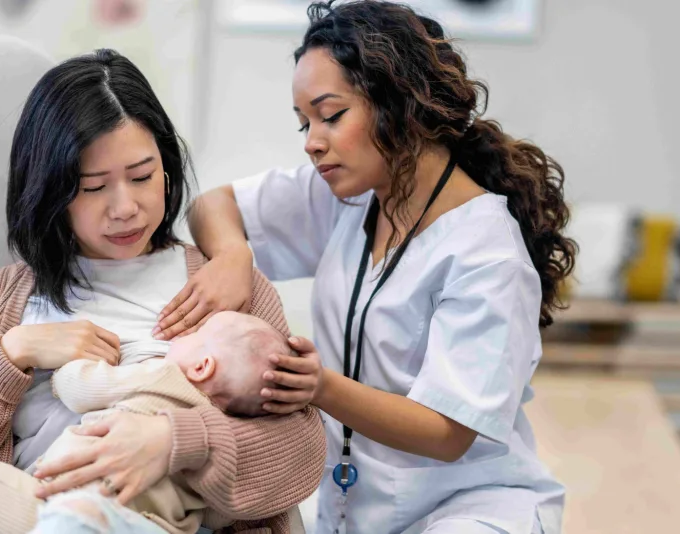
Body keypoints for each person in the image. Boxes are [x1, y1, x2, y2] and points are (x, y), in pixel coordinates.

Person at [161, 2, 577, 533]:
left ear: (399, 100)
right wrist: (234, 255)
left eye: (331, 116)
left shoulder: (486, 252)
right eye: (304, 123)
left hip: (472, 508)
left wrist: (320, 387)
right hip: (355, 508)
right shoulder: (348, 196)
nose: (312, 141)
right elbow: (211, 206)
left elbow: (447, 434)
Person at [0, 49, 325, 534]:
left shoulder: (223, 288)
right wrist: (12, 354)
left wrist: (173, 438)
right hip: (41, 516)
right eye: (94, 187)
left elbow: (301, 451)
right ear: (51, 192)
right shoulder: (6, 299)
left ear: (166, 167)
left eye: (142, 177)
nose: (126, 208)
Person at [31, 311, 294, 534]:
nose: (180, 336)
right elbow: (218, 517)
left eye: (194, 335)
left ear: (202, 367)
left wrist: (64, 372)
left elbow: (82, 389)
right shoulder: (216, 443)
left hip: (86, 502)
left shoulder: (163, 376)